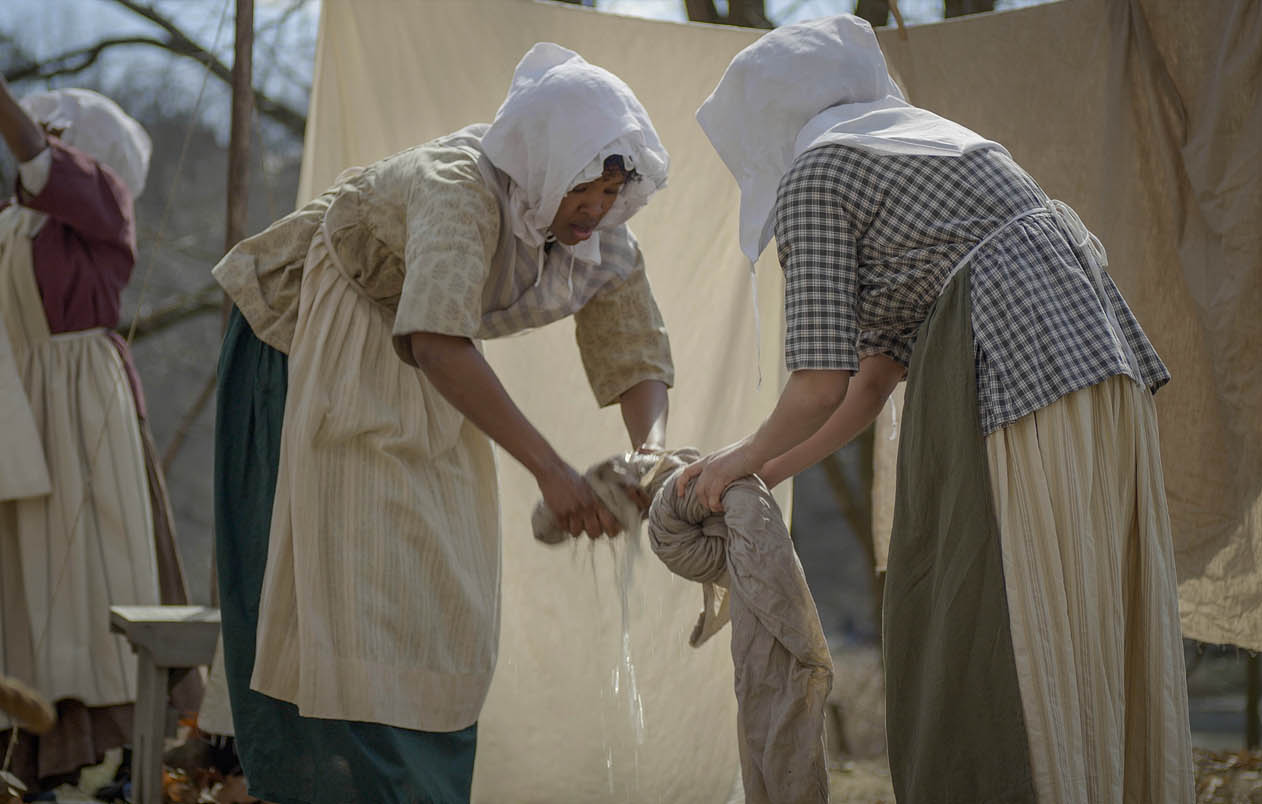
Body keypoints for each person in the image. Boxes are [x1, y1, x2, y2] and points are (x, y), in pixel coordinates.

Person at [683, 15, 1194, 804]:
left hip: (1013, 385)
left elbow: (821, 379)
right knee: (1082, 621)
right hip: (1095, 381)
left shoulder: (819, 173)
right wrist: (766, 473)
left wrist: (731, 460)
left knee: (1003, 628)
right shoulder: (942, 144)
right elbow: (877, 378)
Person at [211, 43, 673, 803]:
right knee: (345, 588)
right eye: (584, 190)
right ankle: (326, 784)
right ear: (546, 166)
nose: (596, 208)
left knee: (438, 590)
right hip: (313, 341)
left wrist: (648, 457)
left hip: (422, 367)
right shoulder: (457, 184)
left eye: (612, 190)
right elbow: (435, 341)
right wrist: (552, 472)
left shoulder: (601, 231)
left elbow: (636, 351)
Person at [0, 77, 191, 787]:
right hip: (21, 414)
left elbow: (40, 166)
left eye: (56, 131)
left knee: (95, 572)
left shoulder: (103, 203)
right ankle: (35, 758)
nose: (41, 140)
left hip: (82, 414)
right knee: (27, 584)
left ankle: (136, 754)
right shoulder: (12, 223)